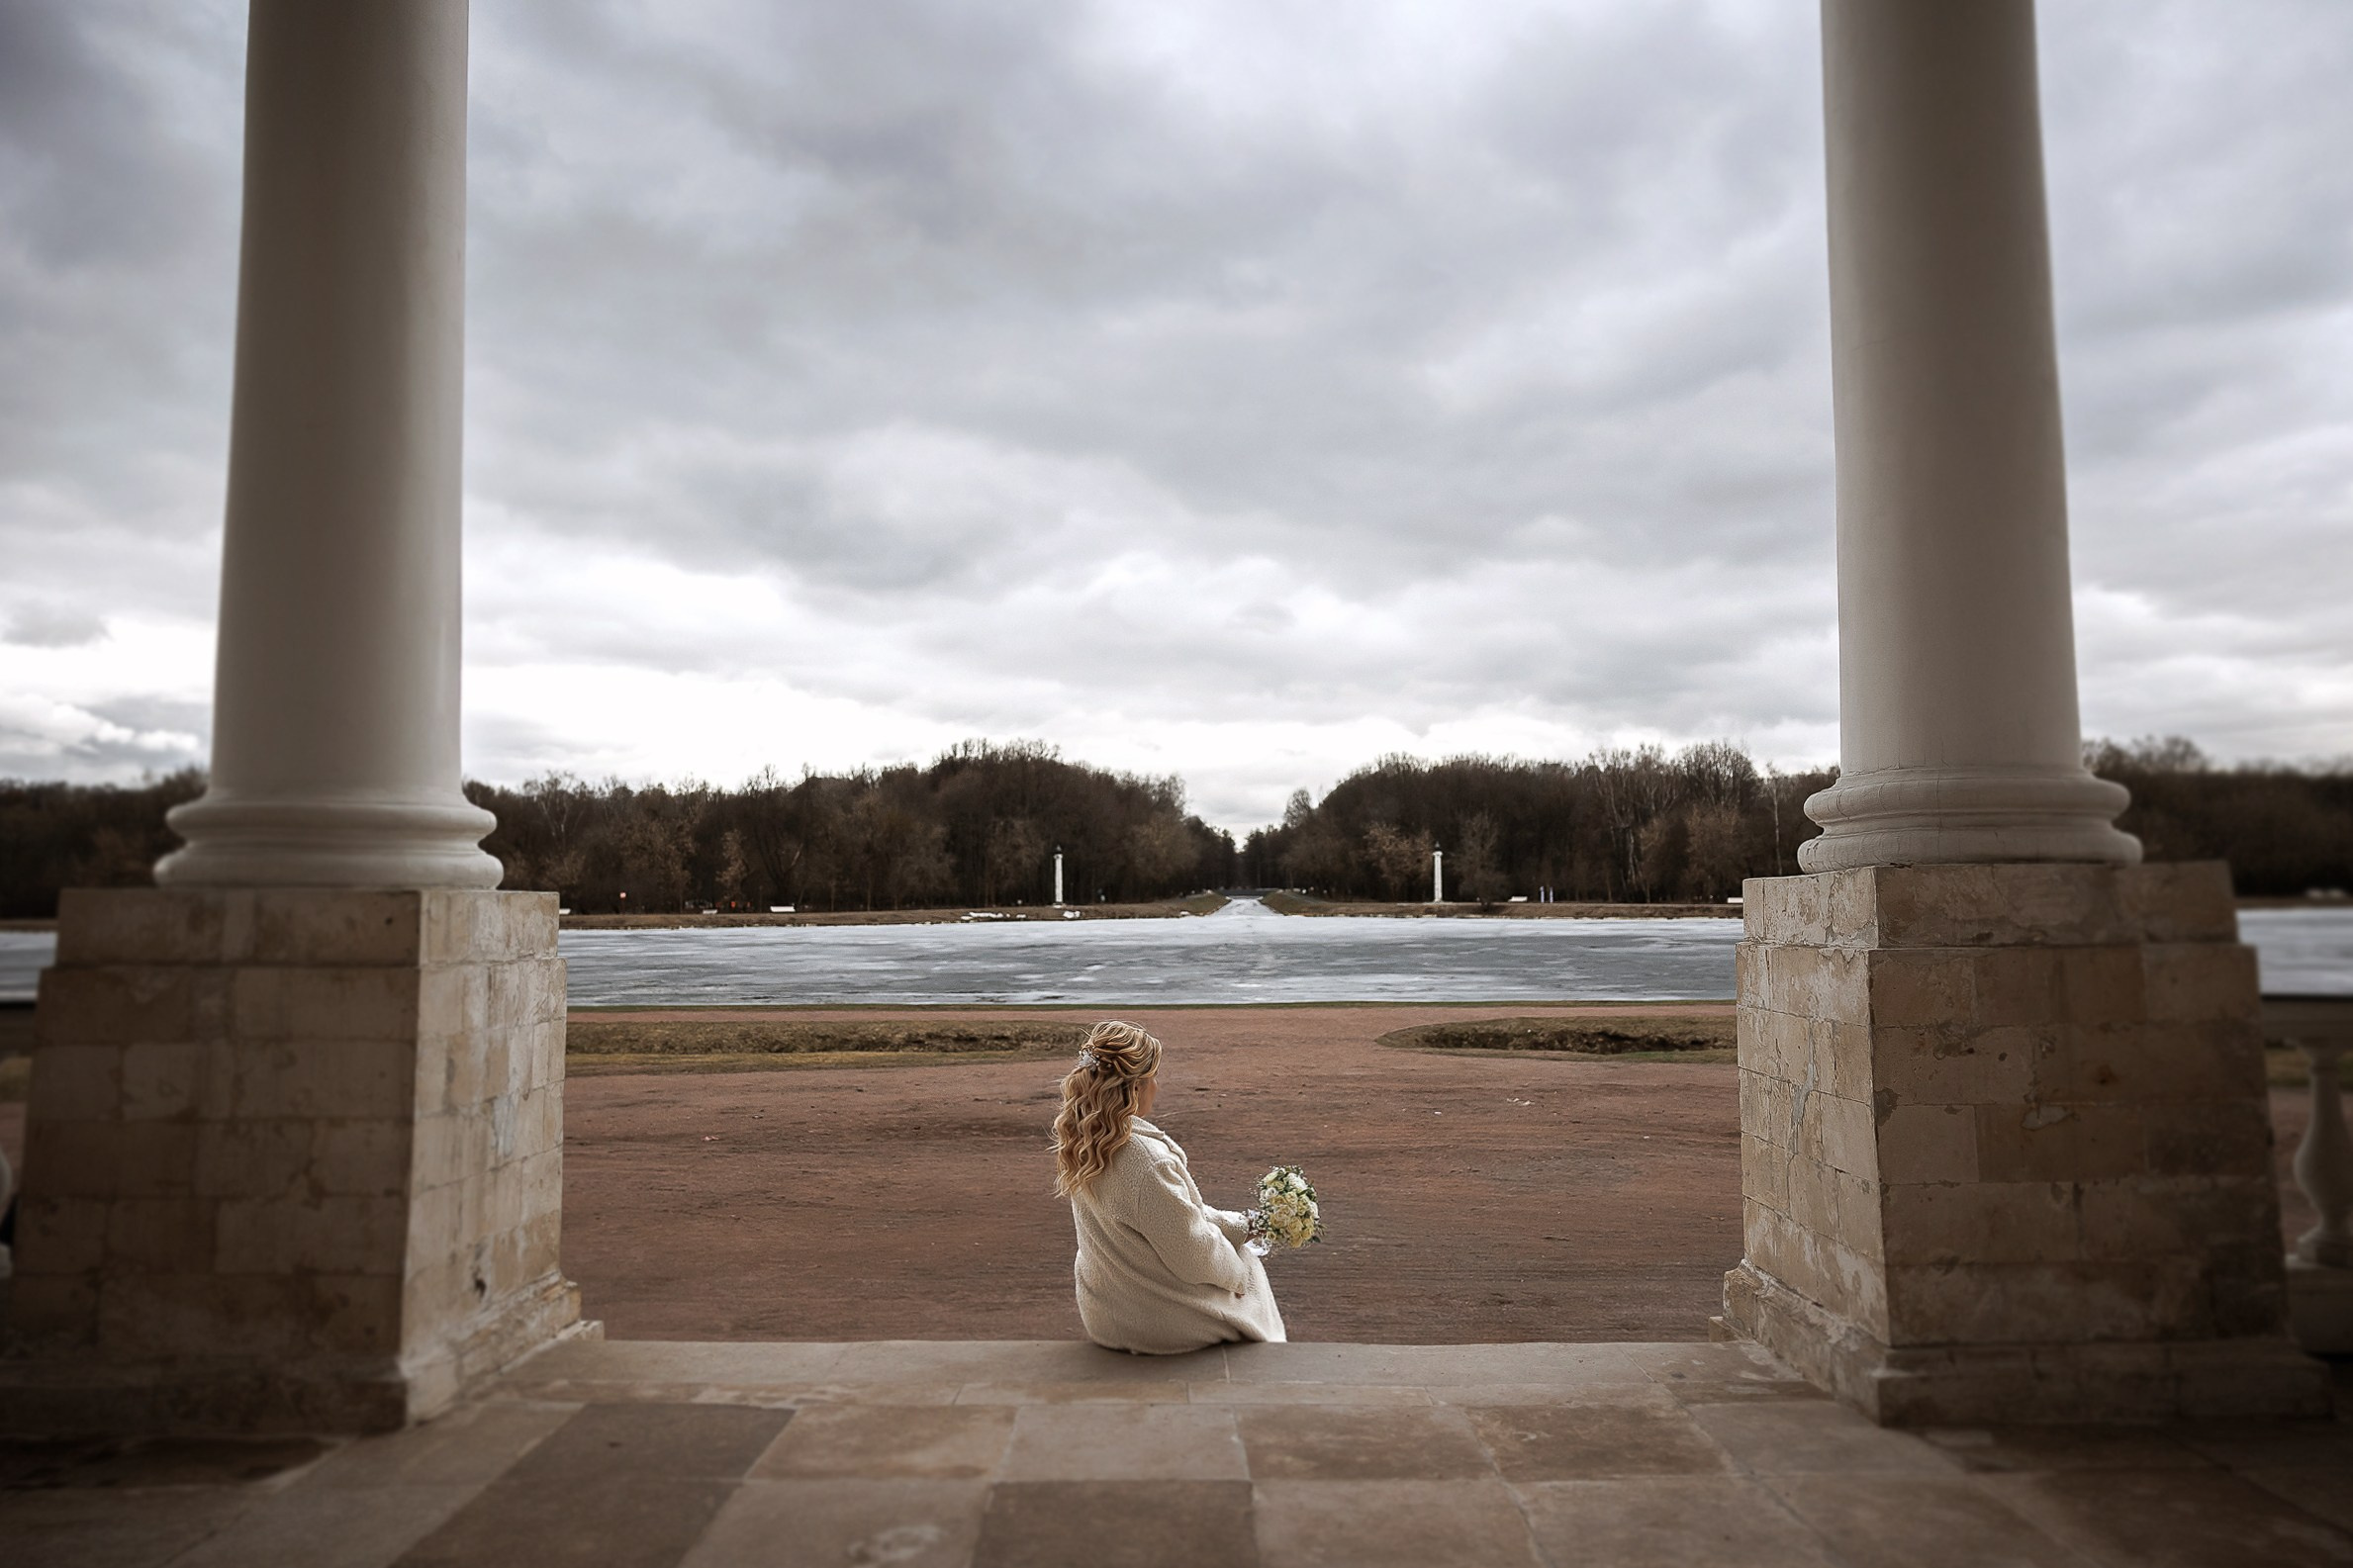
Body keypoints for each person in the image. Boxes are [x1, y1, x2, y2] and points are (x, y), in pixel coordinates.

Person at [1053, 1019, 1286, 1354]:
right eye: (1153, 1078)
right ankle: (1273, 1362)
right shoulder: (1145, 1160)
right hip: (1153, 1321)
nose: (1157, 1088)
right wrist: (1236, 1275)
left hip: (1106, 1311)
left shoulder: (1087, 1141)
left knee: (1235, 1249)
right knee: (1249, 1269)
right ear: (1133, 1088)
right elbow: (1192, 1252)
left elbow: (1173, 1216)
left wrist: (1241, 1225)